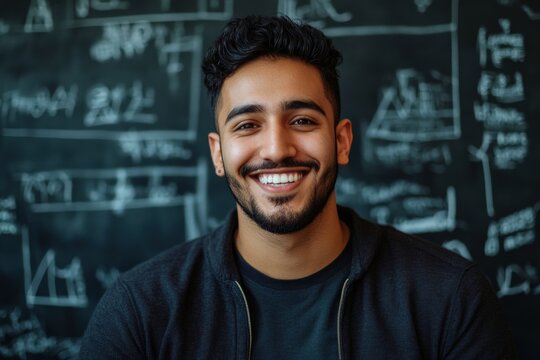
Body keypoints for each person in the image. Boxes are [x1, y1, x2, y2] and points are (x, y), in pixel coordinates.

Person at [79, 15, 515, 359]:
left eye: (302, 120)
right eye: (248, 125)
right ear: (217, 153)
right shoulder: (139, 312)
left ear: (341, 140)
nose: (276, 149)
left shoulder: (450, 298)